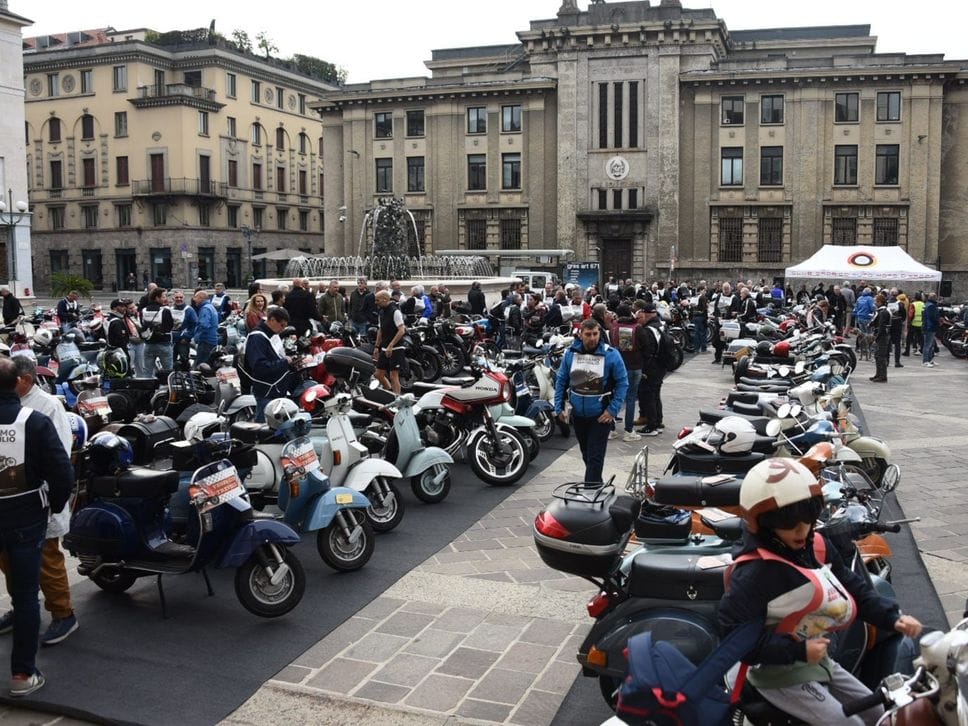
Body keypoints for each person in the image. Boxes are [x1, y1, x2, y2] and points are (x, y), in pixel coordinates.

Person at [720, 458, 922, 726]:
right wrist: (798, 650)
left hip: (816, 659)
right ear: (763, 523)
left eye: (808, 514)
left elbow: (853, 587)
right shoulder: (756, 572)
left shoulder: (816, 546)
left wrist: (891, 617)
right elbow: (735, 638)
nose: (801, 528)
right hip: (777, 674)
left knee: (882, 715)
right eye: (787, 520)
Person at [0, 356, 74, 696]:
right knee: (28, 596)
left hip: (24, 515)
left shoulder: (44, 411)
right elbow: (62, 472)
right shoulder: (33, 420)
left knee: (30, 586)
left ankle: (62, 614)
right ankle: (22, 675)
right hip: (25, 516)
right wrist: (53, 504)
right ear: (17, 383)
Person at [553, 319, 628, 483]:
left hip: (600, 415)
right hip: (578, 414)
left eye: (595, 334)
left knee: (595, 455)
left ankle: (590, 492)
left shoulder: (611, 354)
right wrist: (558, 407)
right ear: (581, 334)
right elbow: (561, 380)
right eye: (588, 334)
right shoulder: (570, 354)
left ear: (600, 333)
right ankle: (597, 484)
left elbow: (623, 382)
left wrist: (612, 410)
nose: (592, 338)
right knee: (587, 453)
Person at [243, 307, 299, 422]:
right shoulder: (257, 337)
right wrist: (284, 362)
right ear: (272, 320)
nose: (282, 329)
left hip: (275, 389)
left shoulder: (271, 334)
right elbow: (260, 367)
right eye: (282, 325)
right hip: (266, 391)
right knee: (264, 429)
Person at [608, 304, 642, 442]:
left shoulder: (613, 327)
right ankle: (628, 431)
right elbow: (644, 345)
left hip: (617, 366)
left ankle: (611, 429)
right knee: (631, 398)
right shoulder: (637, 328)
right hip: (634, 366)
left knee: (614, 396)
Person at [634, 303, 667, 436]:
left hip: (652, 366)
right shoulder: (661, 325)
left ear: (646, 314)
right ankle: (658, 422)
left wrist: (644, 367)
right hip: (662, 364)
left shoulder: (648, 330)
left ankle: (651, 425)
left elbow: (647, 351)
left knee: (648, 395)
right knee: (656, 394)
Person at [373, 289, 407, 394]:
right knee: (378, 374)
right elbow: (380, 330)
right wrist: (376, 347)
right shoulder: (381, 312)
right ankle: (389, 392)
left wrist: (391, 345)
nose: (375, 302)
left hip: (396, 348)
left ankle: (397, 400)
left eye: (377, 300)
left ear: (384, 299)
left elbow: (402, 330)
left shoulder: (395, 311)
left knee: (393, 376)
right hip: (385, 347)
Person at [140, 287, 174, 373]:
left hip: (148, 343)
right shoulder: (165, 310)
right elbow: (169, 326)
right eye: (163, 296)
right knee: (168, 370)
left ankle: (148, 385)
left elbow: (142, 324)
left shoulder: (143, 310)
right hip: (163, 343)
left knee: (147, 370)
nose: (165, 298)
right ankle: (166, 385)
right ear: (157, 298)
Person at [709, 282, 738, 364]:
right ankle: (717, 358)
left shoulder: (734, 298)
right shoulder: (719, 296)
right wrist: (717, 316)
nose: (726, 291)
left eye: (727, 289)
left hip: (729, 322)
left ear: (730, 288)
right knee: (717, 340)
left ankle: (728, 359)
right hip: (719, 321)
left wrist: (728, 316)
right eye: (724, 289)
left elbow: (734, 309)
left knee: (728, 341)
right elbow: (716, 307)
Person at [191, 289, 219, 370]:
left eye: (195, 297)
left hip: (205, 341)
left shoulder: (205, 309)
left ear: (201, 298)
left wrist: (196, 338)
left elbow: (204, 325)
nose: (193, 299)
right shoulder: (211, 307)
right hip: (212, 340)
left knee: (201, 366)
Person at [170, 290, 197, 371]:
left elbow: (194, 325)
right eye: (176, 297)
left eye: (181, 297)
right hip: (171, 341)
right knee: (171, 361)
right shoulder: (170, 309)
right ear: (173, 298)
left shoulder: (189, 310)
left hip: (183, 341)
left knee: (184, 360)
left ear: (184, 298)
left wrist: (187, 337)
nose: (179, 299)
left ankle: (186, 377)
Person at [105, 298, 133, 369]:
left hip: (109, 351)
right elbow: (121, 340)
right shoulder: (117, 322)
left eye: (124, 306)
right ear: (114, 308)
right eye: (121, 306)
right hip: (119, 353)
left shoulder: (108, 319)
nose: (124, 308)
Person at [870, 293, 891, 382]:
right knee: (877, 356)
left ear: (880, 302)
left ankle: (882, 376)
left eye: (876, 301)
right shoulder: (882, 311)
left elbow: (881, 327)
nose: (875, 303)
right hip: (882, 335)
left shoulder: (882, 312)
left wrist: (877, 338)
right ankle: (878, 374)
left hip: (882, 336)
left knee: (880, 356)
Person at [922, 292, 940, 368]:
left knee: (930, 344)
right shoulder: (931, 306)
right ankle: (926, 361)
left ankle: (929, 359)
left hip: (929, 326)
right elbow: (932, 317)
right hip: (930, 327)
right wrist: (938, 322)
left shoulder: (929, 305)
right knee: (928, 345)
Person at [889, 292, 907, 368]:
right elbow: (904, 315)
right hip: (897, 324)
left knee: (888, 342)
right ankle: (897, 362)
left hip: (889, 323)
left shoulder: (888, 303)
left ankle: (886, 360)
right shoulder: (901, 304)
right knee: (897, 344)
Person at [904, 292, 924, 357]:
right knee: (921, 338)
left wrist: (909, 323)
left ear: (915, 297)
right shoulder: (923, 304)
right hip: (921, 323)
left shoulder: (913, 304)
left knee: (909, 338)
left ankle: (907, 351)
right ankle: (922, 350)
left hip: (913, 323)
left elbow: (910, 314)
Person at [692, 284, 709, 353]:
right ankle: (703, 348)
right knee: (703, 332)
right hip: (701, 316)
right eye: (704, 290)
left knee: (696, 333)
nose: (705, 291)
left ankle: (696, 348)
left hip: (695, 316)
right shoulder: (703, 297)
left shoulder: (694, 297)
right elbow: (704, 308)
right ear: (701, 290)